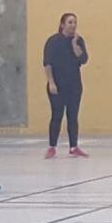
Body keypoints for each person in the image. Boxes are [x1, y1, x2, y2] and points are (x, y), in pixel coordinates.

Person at [43, 13, 89, 159]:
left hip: (74, 85)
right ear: (62, 24)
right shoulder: (53, 41)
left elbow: (83, 59)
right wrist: (51, 82)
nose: (73, 25)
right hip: (57, 85)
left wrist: (75, 44)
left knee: (73, 116)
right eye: (70, 22)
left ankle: (73, 147)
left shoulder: (78, 40)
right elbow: (47, 63)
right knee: (57, 115)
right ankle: (52, 147)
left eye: (75, 22)